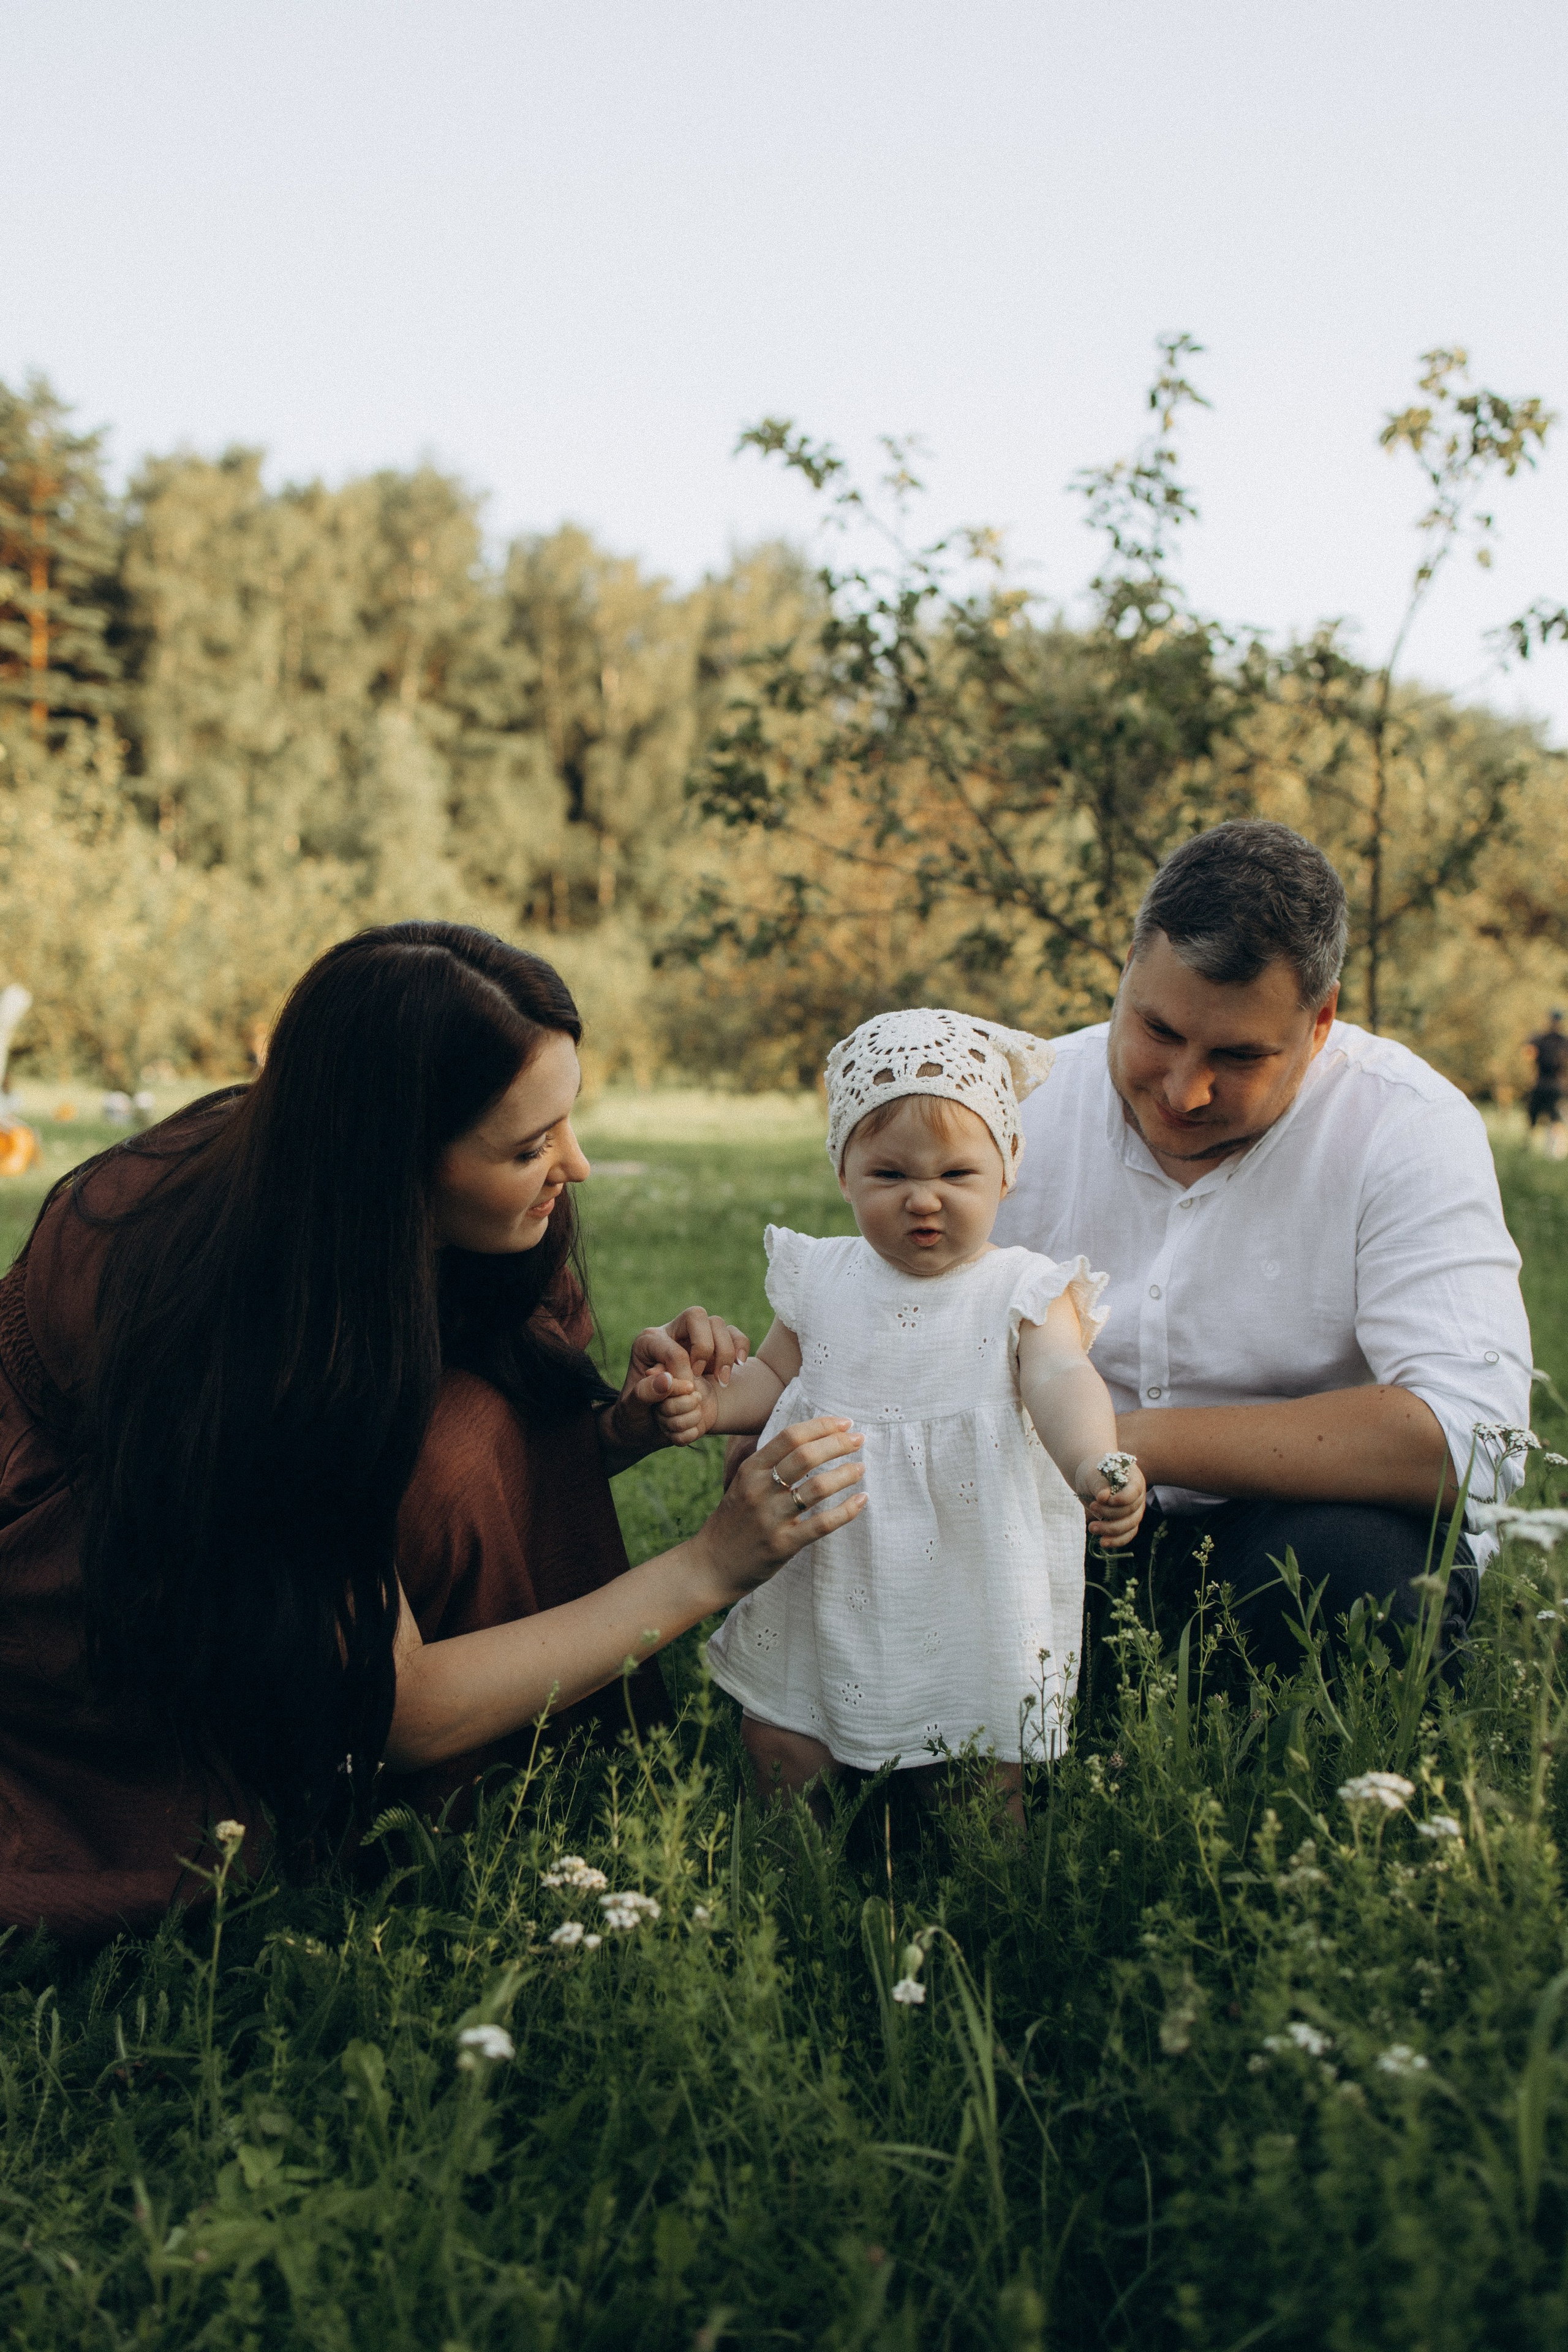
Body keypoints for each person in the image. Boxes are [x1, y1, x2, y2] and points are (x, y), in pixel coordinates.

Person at [0, 922, 864, 1944]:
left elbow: (448, 1421)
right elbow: (398, 1709)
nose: (577, 1167)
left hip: (279, 1479)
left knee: (474, 1433)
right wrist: (710, 1567)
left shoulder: (366, 1206)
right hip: (99, 1604)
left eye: (568, 1122)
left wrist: (615, 1431)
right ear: (398, 1167)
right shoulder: (262, 1328)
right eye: (530, 1149)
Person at [990, 820, 1533, 1678]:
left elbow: (1477, 1442)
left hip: (1294, 1522)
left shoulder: (1406, 1125)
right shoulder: (1013, 1111)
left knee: (1361, 1584)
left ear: (1321, 1023)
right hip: (1050, 1508)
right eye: (1158, 1031)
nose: (1184, 1090)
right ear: (1128, 969)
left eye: (1239, 1056)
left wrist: (1124, 1441)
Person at [653, 1008, 1146, 1810]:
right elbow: (773, 1374)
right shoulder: (822, 1275)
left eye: (956, 1175)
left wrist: (1092, 1460)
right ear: (843, 1175)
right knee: (783, 1736)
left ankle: (981, 1878)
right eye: (889, 1175)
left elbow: (1061, 1376)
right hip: (828, 1551)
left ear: (1006, 1169)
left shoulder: (1022, 1288)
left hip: (966, 1561)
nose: (923, 1200)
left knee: (976, 1760)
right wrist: (710, 1404)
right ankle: (793, 1868)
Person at [1526, 1009, 1568, 1159]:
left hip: (1554, 1085)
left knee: (1555, 1119)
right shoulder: (1545, 1039)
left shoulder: (1557, 1041)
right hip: (1546, 1084)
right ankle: (1531, 1151)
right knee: (1534, 1118)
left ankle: (1554, 1153)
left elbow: (1528, 1054)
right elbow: (1528, 1053)